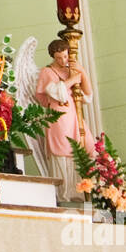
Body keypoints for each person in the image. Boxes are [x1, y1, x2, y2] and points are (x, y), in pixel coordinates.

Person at [34, 38, 96, 200]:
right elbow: (56, 92)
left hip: (74, 116)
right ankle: (65, 194)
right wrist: (72, 80)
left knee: (86, 146)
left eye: (65, 56)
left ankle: (82, 192)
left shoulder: (71, 70)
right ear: (53, 57)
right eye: (58, 57)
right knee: (63, 150)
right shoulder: (47, 72)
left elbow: (88, 97)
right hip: (58, 118)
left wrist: (81, 72)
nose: (63, 60)